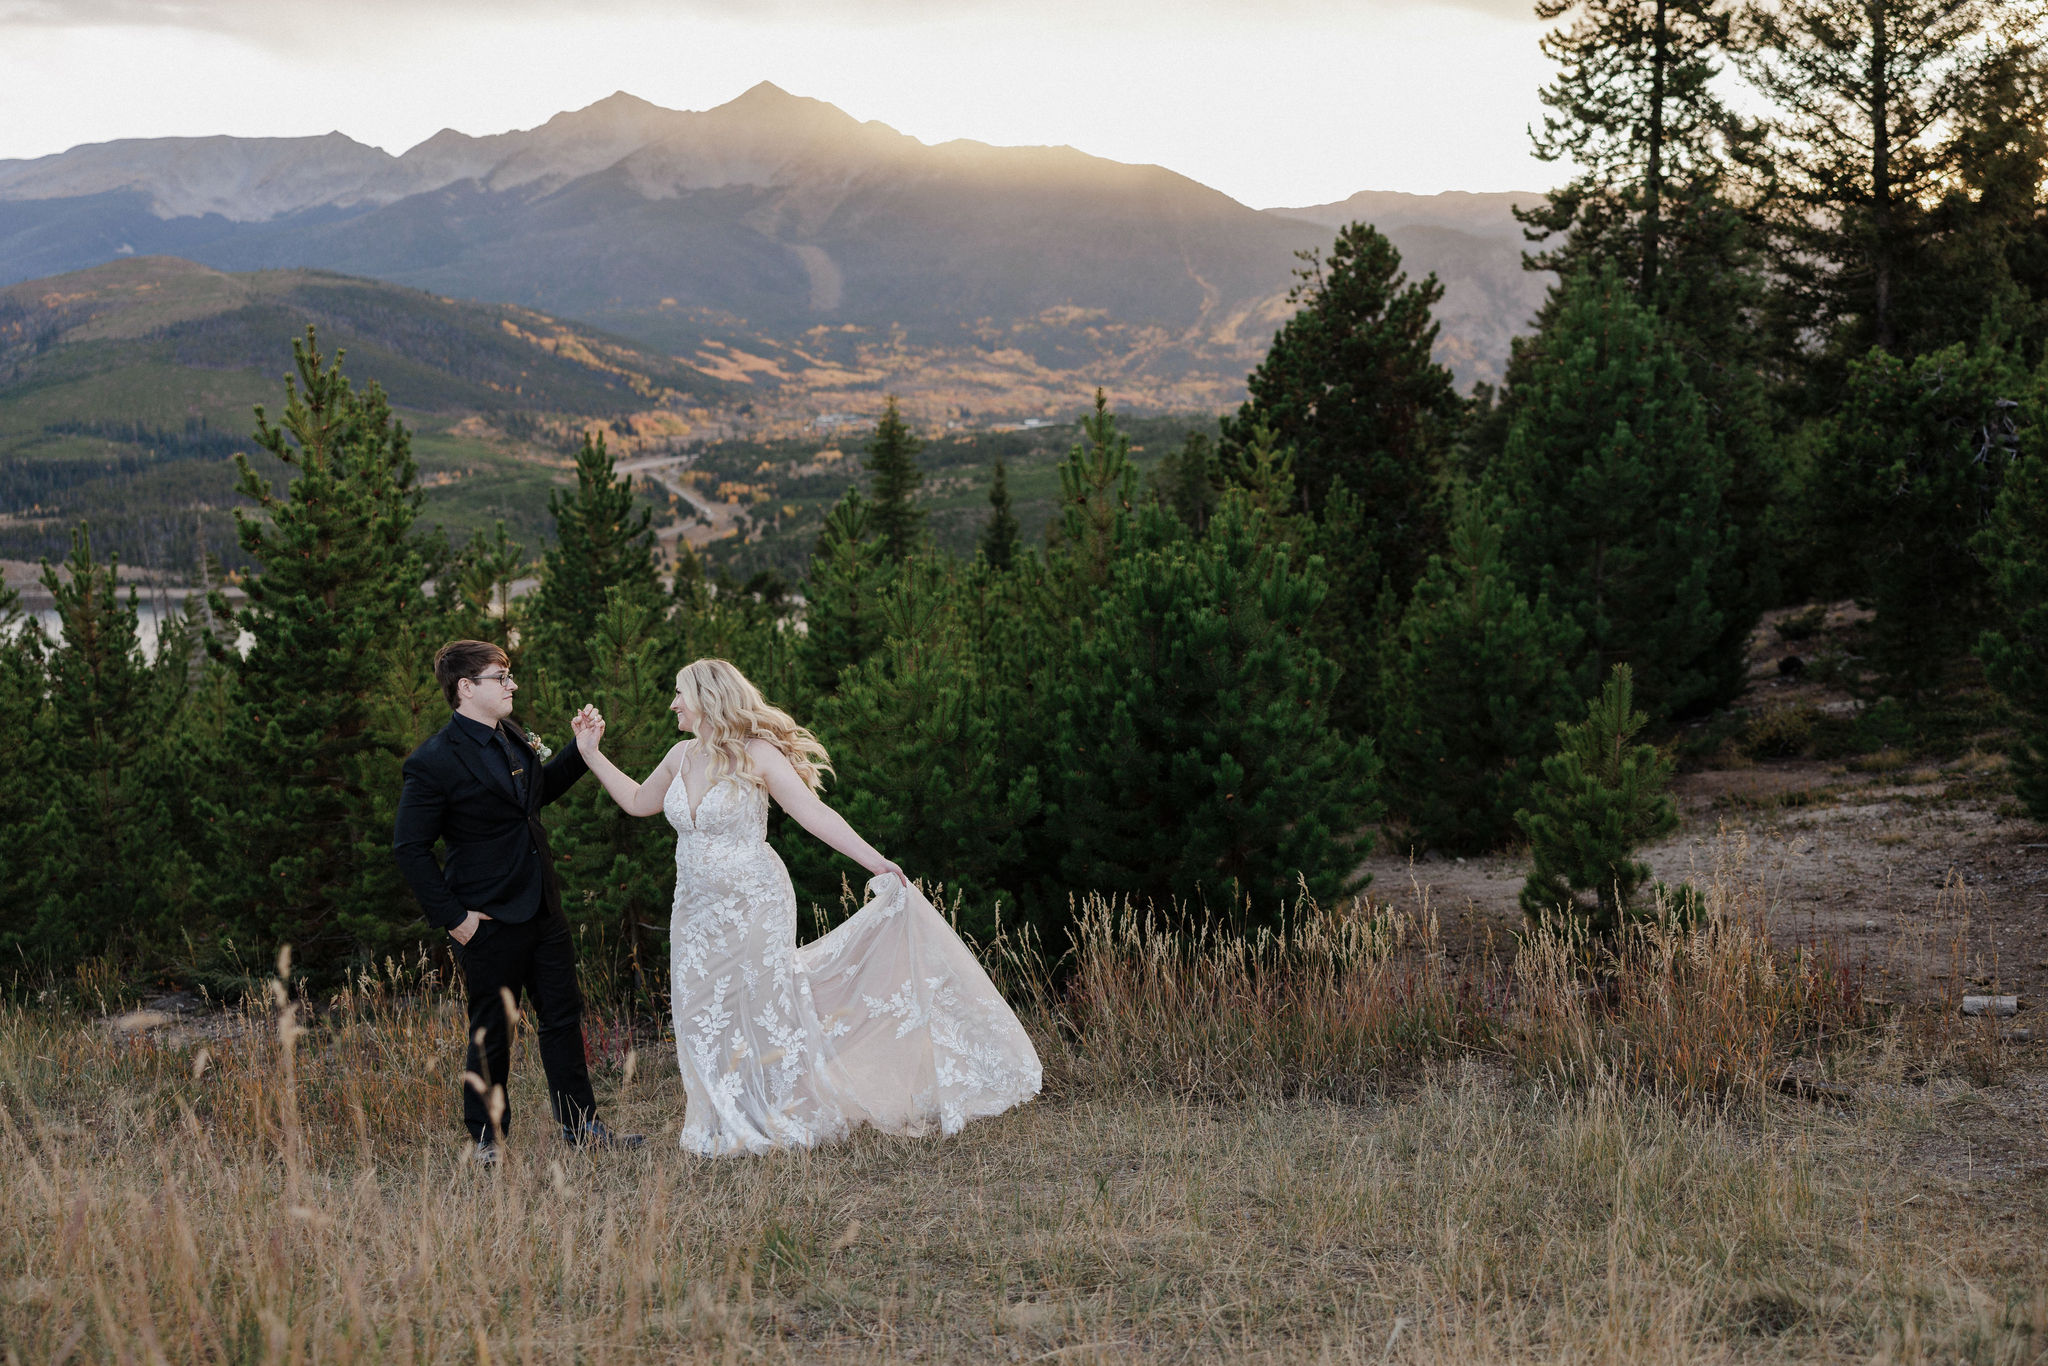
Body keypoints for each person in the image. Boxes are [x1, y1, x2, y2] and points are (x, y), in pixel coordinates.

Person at [569, 657, 1040, 1155]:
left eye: (679, 694)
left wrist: (875, 862)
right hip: (695, 910)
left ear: (708, 698)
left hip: (756, 902)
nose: (673, 703)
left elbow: (813, 813)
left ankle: (777, 1113)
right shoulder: (680, 755)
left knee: (760, 1002)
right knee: (700, 1012)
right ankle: (721, 1119)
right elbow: (639, 801)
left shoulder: (758, 754)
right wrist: (590, 754)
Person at [393, 639, 643, 1162]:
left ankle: (582, 1128)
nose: (512, 685)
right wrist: (455, 920)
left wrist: (583, 750)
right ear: (466, 688)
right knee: (491, 1028)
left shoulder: (511, 733)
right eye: (499, 678)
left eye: (509, 676)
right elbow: (410, 849)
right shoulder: (432, 761)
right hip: (484, 918)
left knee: (561, 1017)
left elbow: (532, 798)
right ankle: (487, 1138)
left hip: (542, 907)